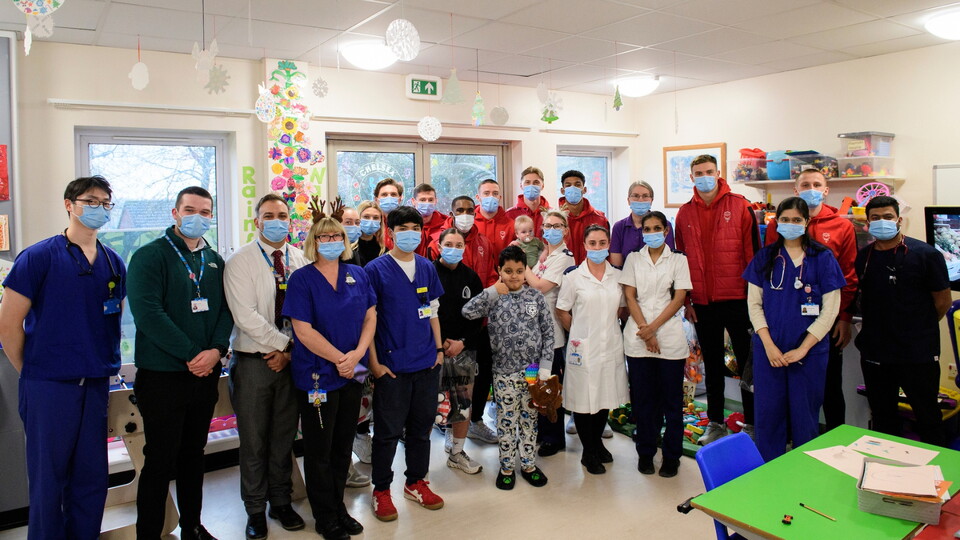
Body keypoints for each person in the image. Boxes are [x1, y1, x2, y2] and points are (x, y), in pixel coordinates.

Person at [0, 176, 125, 540]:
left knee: (91, 477)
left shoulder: (113, 261)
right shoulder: (39, 257)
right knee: (48, 479)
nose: (99, 208)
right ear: (69, 204)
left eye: (105, 203)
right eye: (91, 200)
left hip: (95, 384)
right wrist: (34, 374)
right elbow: (8, 327)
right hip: (49, 387)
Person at [128, 186, 234, 540]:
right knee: (159, 461)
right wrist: (192, 353)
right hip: (163, 377)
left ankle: (192, 525)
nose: (198, 217)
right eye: (190, 210)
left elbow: (224, 311)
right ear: (175, 213)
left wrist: (217, 350)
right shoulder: (150, 256)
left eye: (205, 212)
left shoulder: (215, 259)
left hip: (204, 375)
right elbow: (148, 314)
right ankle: (149, 534)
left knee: (193, 456)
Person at [283, 216, 376, 540]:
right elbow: (302, 330)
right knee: (320, 450)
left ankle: (338, 507)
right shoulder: (302, 279)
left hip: (352, 372)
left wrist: (356, 355)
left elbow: (370, 316)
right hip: (318, 375)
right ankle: (324, 516)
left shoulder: (358, 274)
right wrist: (340, 358)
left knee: (342, 446)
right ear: (314, 241)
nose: (332, 240)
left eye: (337, 235)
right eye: (324, 237)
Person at [223, 194, 307, 539]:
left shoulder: (300, 260)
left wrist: (290, 352)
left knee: (283, 439)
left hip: (290, 363)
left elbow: (306, 314)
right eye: (269, 215)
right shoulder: (240, 261)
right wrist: (284, 345)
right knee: (254, 442)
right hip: (253, 363)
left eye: (283, 215)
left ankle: (281, 501)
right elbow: (245, 317)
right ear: (256, 221)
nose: (277, 220)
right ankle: (255, 510)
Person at [744, 197, 845, 461]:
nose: (790, 224)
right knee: (768, 415)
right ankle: (768, 472)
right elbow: (754, 305)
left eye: (797, 220)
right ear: (776, 222)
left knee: (805, 416)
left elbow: (830, 309)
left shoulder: (823, 258)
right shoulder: (765, 258)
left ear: (807, 222)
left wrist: (803, 348)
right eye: (785, 219)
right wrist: (768, 345)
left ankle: (802, 472)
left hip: (809, 353)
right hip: (770, 350)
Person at [364, 205, 445, 522]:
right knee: (386, 433)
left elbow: (433, 311)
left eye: (415, 227)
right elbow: (367, 321)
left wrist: (438, 351)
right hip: (392, 366)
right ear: (391, 232)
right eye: (403, 228)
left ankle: (415, 482)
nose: (410, 233)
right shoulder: (375, 270)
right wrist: (374, 363)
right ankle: (381, 490)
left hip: (426, 363)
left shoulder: (426, 267)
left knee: (421, 430)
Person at [764, 169, 858, 430]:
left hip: (827, 320)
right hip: (785, 322)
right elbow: (771, 272)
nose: (811, 188)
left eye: (817, 184)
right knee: (789, 385)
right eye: (805, 184)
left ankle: (836, 438)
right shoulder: (777, 226)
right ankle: (795, 441)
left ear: (826, 190)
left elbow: (849, 276)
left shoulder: (842, 225)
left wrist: (844, 318)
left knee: (829, 385)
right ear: (796, 190)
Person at [674, 154, 758, 445]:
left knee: (748, 365)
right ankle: (717, 423)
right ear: (691, 177)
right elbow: (681, 262)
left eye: (709, 171)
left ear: (718, 172)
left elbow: (753, 258)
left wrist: (753, 302)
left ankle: (752, 424)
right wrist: (686, 302)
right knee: (712, 366)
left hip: (737, 299)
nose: (704, 177)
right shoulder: (684, 213)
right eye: (698, 173)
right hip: (702, 303)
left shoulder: (740, 206)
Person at [854, 195, 951, 446]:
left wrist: (918, 326)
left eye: (888, 217)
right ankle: (886, 474)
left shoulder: (926, 255)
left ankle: (939, 475)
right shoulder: (864, 257)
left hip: (917, 353)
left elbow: (942, 301)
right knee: (883, 418)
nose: (882, 222)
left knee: (927, 415)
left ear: (899, 220)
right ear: (867, 223)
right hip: (876, 353)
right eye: (875, 218)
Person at [463, 246, 554, 490]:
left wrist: (545, 368)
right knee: (506, 420)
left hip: (533, 372)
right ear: (499, 271)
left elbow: (548, 332)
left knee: (529, 419)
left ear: (526, 271)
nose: (514, 276)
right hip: (503, 372)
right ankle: (505, 466)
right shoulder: (494, 296)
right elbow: (467, 311)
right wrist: (493, 291)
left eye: (519, 271)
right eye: (508, 271)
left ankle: (528, 464)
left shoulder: (536, 297)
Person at [620, 211, 691, 477]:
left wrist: (654, 328)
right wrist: (646, 331)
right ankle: (646, 452)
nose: (651, 232)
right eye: (647, 228)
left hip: (669, 339)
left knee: (672, 403)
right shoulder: (633, 259)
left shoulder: (678, 259)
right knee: (644, 402)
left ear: (666, 230)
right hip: (639, 340)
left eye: (657, 228)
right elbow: (630, 295)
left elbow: (679, 298)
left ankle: (672, 456)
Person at [556, 225, 628, 475]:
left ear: (609, 244)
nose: (598, 248)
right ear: (585, 246)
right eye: (593, 243)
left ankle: (596, 443)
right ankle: (589, 452)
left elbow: (622, 308)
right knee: (584, 398)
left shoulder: (617, 275)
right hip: (582, 347)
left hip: (610, 344)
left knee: (605, 395)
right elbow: (562, 310)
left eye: (602, 243)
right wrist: (577, 335)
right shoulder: (573, 276)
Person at [522, 211, 575, 456]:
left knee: (550, 384)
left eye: (557, 225)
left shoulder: (564, 257)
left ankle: (555, 437)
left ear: (565, 230)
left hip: (551, 334)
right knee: (536, 383)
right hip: (535, 333)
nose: (551, 229)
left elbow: (540, 286)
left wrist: (522, 266)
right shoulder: (545, 255)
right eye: (547, 225)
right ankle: (542, 432)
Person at [433, 228, 485, 475]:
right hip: (433, 350)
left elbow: (478, 318)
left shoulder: (471, 278)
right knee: (430, 403)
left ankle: (457, 452)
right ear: (439, 246)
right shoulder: (428, 273)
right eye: (449, 244)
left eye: (459, 244)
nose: (454, 248)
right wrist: (440, 342)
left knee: (463, 402)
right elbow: (423, 312)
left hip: (463, 349)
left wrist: (461, 342)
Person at [609, 181, 675, 268]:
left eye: (645, 196)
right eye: (635, 196)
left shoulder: (665, 225)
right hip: (626, 278)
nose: (640, 200)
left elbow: (669, 259)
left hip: (659, 279)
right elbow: (616, 265)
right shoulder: (619, 227)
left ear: (651, 200)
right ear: (628, 200)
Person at [558, 170, 609, 264]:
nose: (573, 188)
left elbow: (606, 250)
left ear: (584, 189)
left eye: (577, 185)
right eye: (568, 185)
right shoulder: (555, 219)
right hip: (561, 273)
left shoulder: (600, 219)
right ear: (562, 190)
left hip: (590, 273)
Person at [506, 166, 552, 240]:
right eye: (527, 182)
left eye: (536, 182)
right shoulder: (510, 215)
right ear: (521, 186)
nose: (531, 186)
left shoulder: (552, 214)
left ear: (542, 186)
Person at [475, 178, 515, 256]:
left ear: (500, 198)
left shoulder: (511, 225)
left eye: (495, 193)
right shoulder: (470, 224)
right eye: (486, 193)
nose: (491, 197)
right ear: (478, 197)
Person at [411, 183, 449, 258]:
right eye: (422, 200)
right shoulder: (406, 224)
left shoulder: (445, 224)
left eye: (430, 200)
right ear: (413, 201)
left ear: (436, 201)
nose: (427, 203)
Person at [374, 178, 404, 250]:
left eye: (393, 194)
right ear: (376, 200)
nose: (389, 197)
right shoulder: (372, 224)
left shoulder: (407, 222)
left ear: (399, 199)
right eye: (384, 194)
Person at [353, 201, 385, 268]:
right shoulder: (349, 249)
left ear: (380, 221)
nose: (371, 221)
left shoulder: (383, 250)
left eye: (375, 218)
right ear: (358, 218)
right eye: (366, 217)